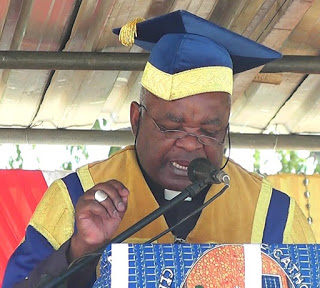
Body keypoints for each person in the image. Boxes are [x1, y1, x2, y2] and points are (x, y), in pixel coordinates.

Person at [3, 10, 316, 288]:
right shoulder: (74, 197)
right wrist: (79, 250)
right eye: (171, 127)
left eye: (209, 130)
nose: (191, 143)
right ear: (136, 120)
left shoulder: (274, 215)